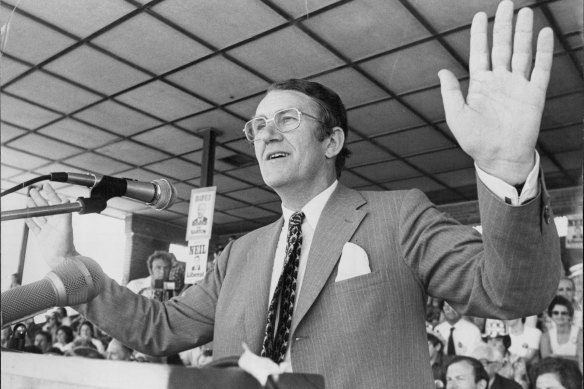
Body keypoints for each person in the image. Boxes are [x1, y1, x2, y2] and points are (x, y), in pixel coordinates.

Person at [26, 2, 561, 388]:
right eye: (257, 125)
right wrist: (73, 270)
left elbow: (510, 293)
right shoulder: (238, 254)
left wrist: (506, 169)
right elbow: (158, 327)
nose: (265, 134)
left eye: (286, 119)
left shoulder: (398, 215)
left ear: (333, 140)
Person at [540, 296, 583, 367]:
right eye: (556, 313)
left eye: (564, 313)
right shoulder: (546, 337)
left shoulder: (579, 333)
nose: (559, 316)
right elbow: (546, 362)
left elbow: (581, 360)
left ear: (569, 315)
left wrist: (557, 357)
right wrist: (572, 358)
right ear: (551, 315)